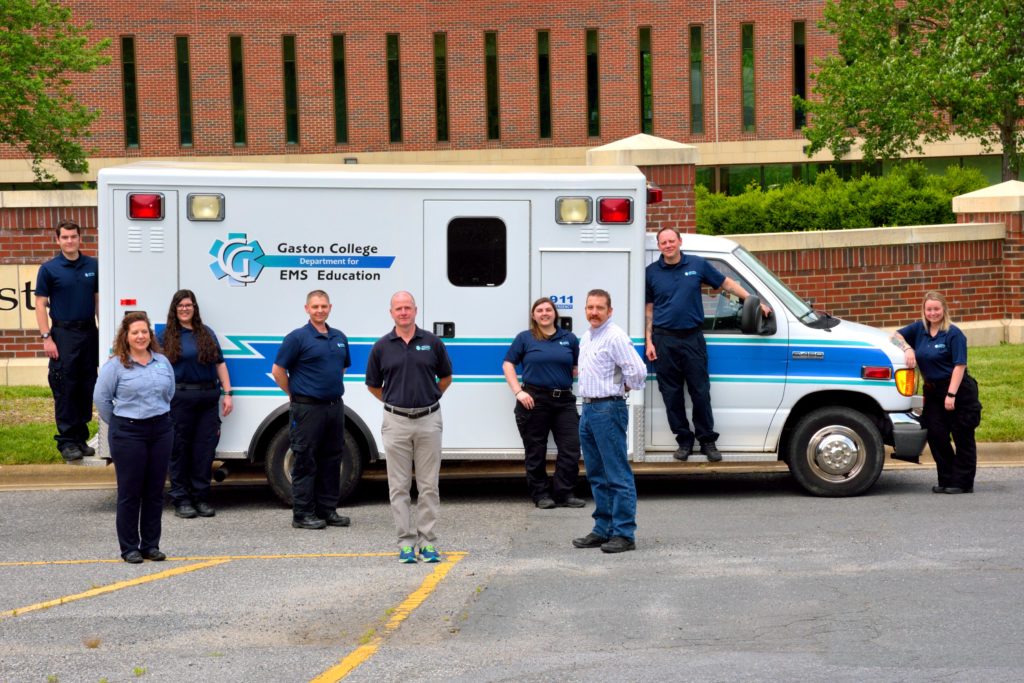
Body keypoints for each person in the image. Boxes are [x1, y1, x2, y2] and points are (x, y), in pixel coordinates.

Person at [644, 226, 769, 462]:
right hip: (663, 341)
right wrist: (649, 340)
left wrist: (755, 301)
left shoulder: (697, 265)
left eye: (672, 241)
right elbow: (649, 310)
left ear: (679, 242)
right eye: (663, 242)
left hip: (692, 338)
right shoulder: (651, 273)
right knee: (671, 396)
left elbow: (727, 284)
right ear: (659, 246)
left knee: (700, 392)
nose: (668, 245)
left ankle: (707, 441)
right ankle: (684, 441)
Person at [366, 291, 453, 564]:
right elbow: (373, 385)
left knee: (429, 486)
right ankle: (405, 543)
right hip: (396, 422)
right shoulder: (381, 346)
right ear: (391, 313)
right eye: (398, 308)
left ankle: (427, 542)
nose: (403, 312)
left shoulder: (432, 342)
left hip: (429, 420)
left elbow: (446, 377)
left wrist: (430, 397)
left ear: (415, 310)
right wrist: (395, 403)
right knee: (399, 486)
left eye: (407, 308)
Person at [93, 312, 175, 564]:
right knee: (130, 491)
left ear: (150, 335)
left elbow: (169, 393)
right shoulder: (115, 366)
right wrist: (122, 422)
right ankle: (129, 547)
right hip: (128, 432)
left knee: (154, 491)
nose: (141, 336)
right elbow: (102, 399)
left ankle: (151, 545)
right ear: (126, 337)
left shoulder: (162, 362)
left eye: (144, 331)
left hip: (160, 429)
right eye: (135, 332)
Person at [572, 289, 647, 554]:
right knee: (596, 474)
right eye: (589, 307)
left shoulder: (615, 336)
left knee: (616, 474)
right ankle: (603, 529)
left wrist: (622, 388)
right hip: (589, 408)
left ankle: (624, 533)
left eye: (599, 308)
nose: (593, 312)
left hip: (608, 408)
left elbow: (638, 371)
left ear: (609, 311)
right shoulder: (587, 337)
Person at [271, 290, 353, 530]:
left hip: (334, 407)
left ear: (330, 307)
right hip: (307, 409)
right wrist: (295, 395)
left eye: (323, 306)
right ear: (307, 309)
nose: (320, 310)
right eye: (315, 306)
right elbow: (278, 371)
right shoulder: (296, 338)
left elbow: (341, 369)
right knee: (305, 460)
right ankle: (303, 514)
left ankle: (327, 510)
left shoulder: (339, 337)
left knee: (331, 459)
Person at [892, 291, 982, 494]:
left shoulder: (954, 333)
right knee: (936, 435)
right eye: (929, 309)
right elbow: (895, 336)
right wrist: (907, 349)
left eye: (936, 309)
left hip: (957, 390)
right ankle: (947, 478)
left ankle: (963, 482)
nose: (932, 313)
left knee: (962, 437)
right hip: (932, 392)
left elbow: (960, 365)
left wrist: (951, 396)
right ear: (924, 310)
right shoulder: (919, 329)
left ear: (944, 310)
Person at [502, 298, 586, 509]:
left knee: (571, 447)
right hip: (534, 400)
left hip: (564, 400)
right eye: (539, 310)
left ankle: (564, 493)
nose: (544, 313)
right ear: (534, 316)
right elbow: (508, 364)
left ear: (555, 314)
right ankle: (541, 495)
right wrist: (518, 392)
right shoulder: (525, 338)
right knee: (535, 450)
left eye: (548, 309)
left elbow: (578, 367)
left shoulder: (569, 338)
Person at [158, 290, 234, 519]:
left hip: (208, 400)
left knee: (204, 451)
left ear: (194, 308)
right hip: (179, 400)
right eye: (180, 305)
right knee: (179, 450)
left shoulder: (206, 333)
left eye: (188, 305)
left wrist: (228, 393)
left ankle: (201, 497)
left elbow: (220, 363)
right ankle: (181, 499)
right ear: (174, 308)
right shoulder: (164, 336)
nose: (185, 309)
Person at [35, 219, 99, 462]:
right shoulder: (50, 269)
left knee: (86, 385)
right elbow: (40, 304)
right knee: (65, 387)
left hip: (88, 333)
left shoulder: (93, 265)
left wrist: (103, 335)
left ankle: (80, 438)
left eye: (74, 236)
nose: (70, 241)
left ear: (80, 238)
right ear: (58, 240)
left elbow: (97, 300)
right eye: (65, 237)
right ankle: (67, 441)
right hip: (63, 334)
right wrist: (46, 338)